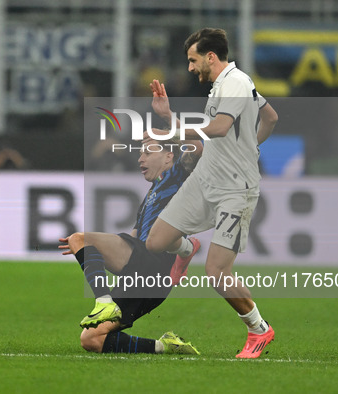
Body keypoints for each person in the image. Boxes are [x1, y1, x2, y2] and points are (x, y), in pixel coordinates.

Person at [143, 28, 279, 359]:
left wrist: (173, 128)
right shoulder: (225, 84)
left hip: (235, 189)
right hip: (205, 180)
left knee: (217, 273)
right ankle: (188, 247)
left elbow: (219, 128)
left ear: (211, 57)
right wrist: (169, 117)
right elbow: (270, 117)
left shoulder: (235, 83)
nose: (190, 68)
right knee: (155, 241)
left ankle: (258, 329)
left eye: (192, 60)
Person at [59, 134, 202, 354]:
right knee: (91, 340)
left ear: (168, 157)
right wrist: (93, 255)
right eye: (139, 154)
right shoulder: (151, 194)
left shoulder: (177, 175)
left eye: (147, 152)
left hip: (153, 263)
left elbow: (197, 146)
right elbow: (134, 237)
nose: (140, 159)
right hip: (147, 278)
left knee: (79, 238)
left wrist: (169, 132)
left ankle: (104, 303)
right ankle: (165, 345)